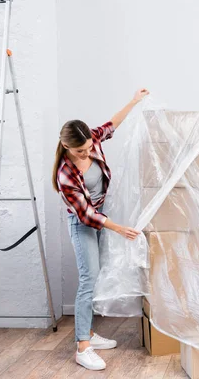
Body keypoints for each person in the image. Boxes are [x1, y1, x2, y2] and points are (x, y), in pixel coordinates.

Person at [52, 89, 148, 371]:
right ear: (67, 147)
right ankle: (82, 346)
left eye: (89, 146)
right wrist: (119, 228)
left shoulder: (91, 139)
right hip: (84, 224)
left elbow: (111, 124)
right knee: (88, 279)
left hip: (102, 219)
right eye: (81, 151)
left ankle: (90, 332)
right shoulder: (65, 175)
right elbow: (87, 215)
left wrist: (133, 101)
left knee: (99, 273)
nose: (88, 151)